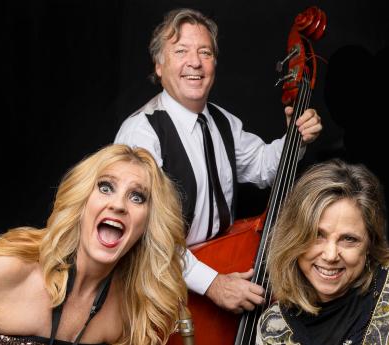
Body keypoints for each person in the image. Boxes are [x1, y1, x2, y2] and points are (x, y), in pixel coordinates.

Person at [114, 8, 322, 313]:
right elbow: (143, 232)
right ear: (159, 65)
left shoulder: (222, 122)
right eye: (181, 51)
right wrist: (211, 283)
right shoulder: (142, 132)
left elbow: (264, 166)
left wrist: (296, 137)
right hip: (159, 282)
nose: (195, 62)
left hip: (221, 261)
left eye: (205, 52)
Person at [0, 144, 187, 345]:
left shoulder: (131, 308)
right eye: (106, 187)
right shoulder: (11, 267)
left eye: (137, 197)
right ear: (81, 201)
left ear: (148, 223)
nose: (118, 205)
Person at [257, 159, 389, 345]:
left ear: (370, 244)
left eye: (349, 239)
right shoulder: (273, 328)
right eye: (317, 235)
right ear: (293, 237)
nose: (331, 255)